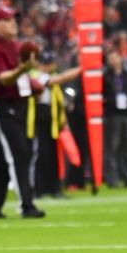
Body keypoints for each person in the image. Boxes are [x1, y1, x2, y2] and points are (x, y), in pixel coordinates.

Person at [0, 7, 51, 219]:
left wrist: (38, 84)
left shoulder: (16, 47)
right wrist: (24, 69)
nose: (13, 23)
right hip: (0, 106)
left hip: (16, 106)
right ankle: (26, 204)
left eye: (13, 19)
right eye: (7, 20)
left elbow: (21, 78)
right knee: (19, 153)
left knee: (5, 157)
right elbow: (4, 78)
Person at [27, 50, 80, 199]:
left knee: (54, 157)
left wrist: (64, 122)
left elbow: (59, 102)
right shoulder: (36, 76)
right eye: (45, 64)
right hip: (37, 120)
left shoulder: (49, 78)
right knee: (40, 156)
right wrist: (81, 69)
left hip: (52, 121)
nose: (48, 67)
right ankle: (38, 189)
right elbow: (58, 79)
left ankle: (54, 189)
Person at [102, 50, 127, 187]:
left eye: (115, 58)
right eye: (110, 58)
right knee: (112, 147)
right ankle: (111, 179)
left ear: (120, 59)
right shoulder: (105, 77)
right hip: (113, 115)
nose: (112, 61)